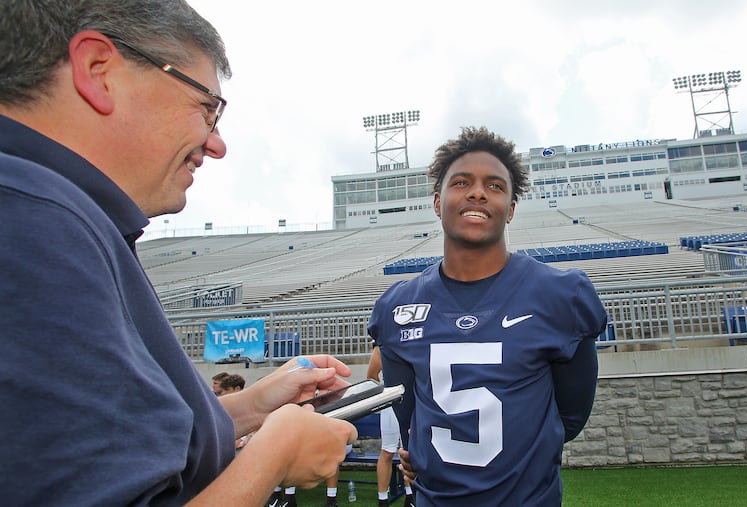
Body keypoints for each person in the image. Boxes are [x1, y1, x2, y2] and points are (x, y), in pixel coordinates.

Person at [0, 2, 357, 505]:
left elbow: (126, 448)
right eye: (207, 107)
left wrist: (250, 407)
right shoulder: (35, 223)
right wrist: (273, 454)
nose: (216, 144)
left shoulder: (47, 211)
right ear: (99, 71)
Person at [368, 127, 608, 506]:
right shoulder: (397, 308)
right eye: (461, 182)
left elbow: (569, 419)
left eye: (495, 186)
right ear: (437, 202)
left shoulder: (562, 296)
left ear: (510, 209)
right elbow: (409, 418)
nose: (477, 192)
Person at [367, 347, 416, 507]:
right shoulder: (382, 347)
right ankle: (383, 500)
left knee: (410, 450)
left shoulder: (418, 341)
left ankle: (411, 496)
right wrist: (386, 396)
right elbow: (371, 376)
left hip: (413, 402)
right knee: (387, 451)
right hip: (392, 403)